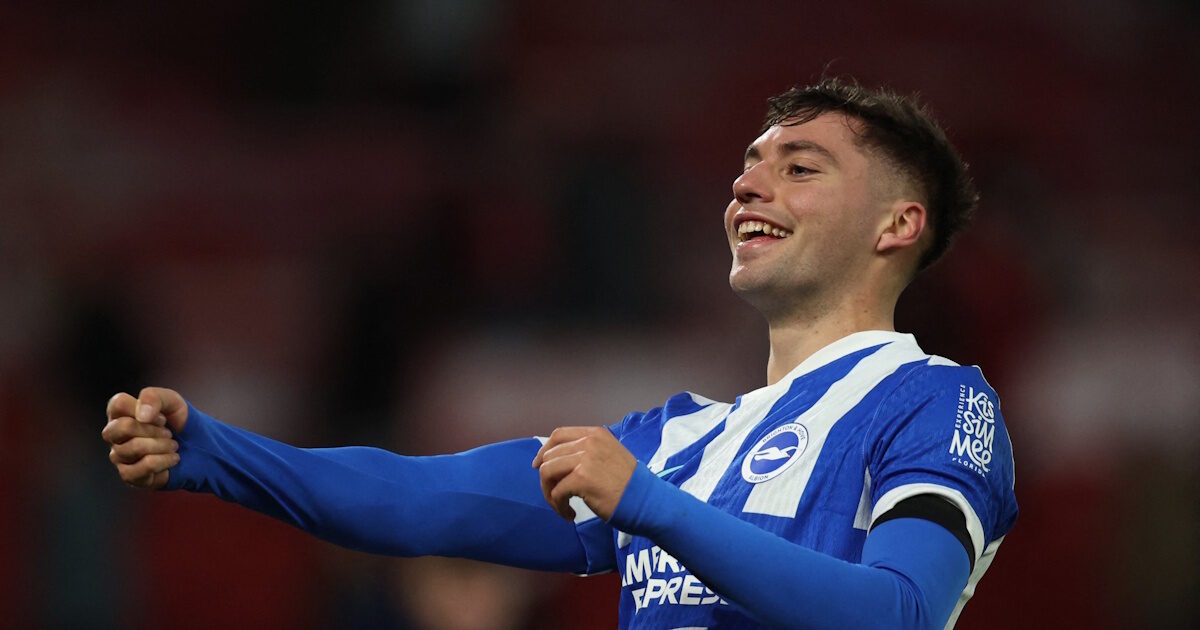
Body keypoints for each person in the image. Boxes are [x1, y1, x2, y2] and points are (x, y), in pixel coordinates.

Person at [102, 77, 1017, 630]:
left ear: (898, 224)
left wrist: (649, 506)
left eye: (799, 167)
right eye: (749, 164)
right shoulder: (675, 442)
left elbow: (898, 614)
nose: (747, 183)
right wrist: (220, 454)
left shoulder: (936, 402)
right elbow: (418, 499)